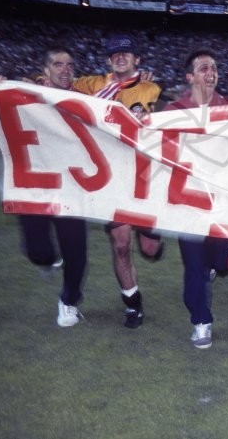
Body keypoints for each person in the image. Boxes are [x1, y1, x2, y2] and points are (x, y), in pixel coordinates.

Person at [72, 34, 164, 329]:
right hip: (110, 179)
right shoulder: (91, 85)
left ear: (137, 59)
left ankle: (152, 240)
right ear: (108, 59)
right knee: (120, 245)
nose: (120, 57)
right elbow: (54, 87)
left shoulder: (152, 89)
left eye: (126, 52)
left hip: (144, 177)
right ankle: (133, 303)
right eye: (114, 53)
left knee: (150, 250)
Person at [162, 49, 228, 348]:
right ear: (190, 77)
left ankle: (221, 258)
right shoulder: (173, 111)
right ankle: (201, 320)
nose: (211, 72)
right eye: (204, 68)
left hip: (222, 201)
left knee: (219, 263)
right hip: (189, 200)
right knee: (194, 264)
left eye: (214, 67)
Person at [14, 50, 90, 326]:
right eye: (58, 64)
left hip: (71, 186)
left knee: (76, 253)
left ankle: (68, 301)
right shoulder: (26, 94)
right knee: (39, 252)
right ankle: (47, 260)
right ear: (45, 70)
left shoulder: (84, 99)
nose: (65, 69)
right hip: (35, 185)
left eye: (70, 65)